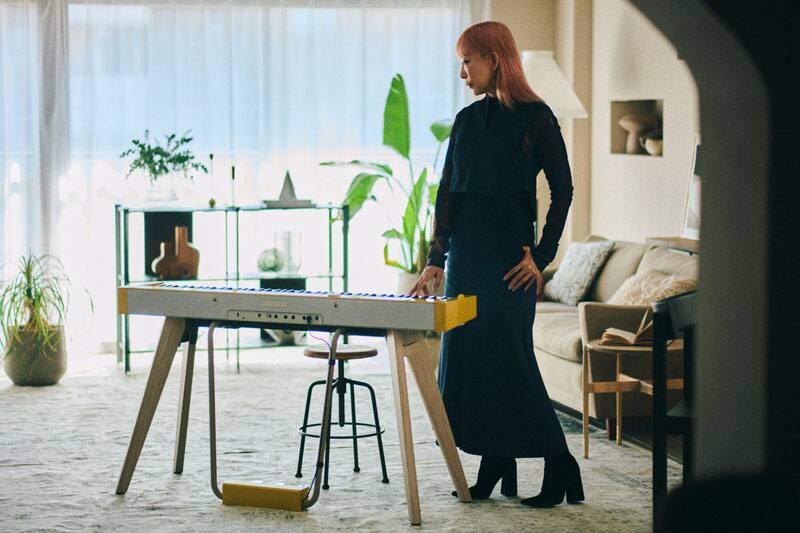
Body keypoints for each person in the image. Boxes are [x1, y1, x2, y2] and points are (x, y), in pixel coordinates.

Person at [408, 20, 583, 508]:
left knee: (510, 366)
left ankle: (560, 462)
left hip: (509, 268)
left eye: (468, 61)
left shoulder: (536, 118)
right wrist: (435, 259)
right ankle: (496, 461)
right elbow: (448, 193)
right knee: (471, 365)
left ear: (494, 59)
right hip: (465, 262)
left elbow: (564, 189)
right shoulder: (466, 121)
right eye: (460, 62)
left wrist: (542, 256)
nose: (462, 72)